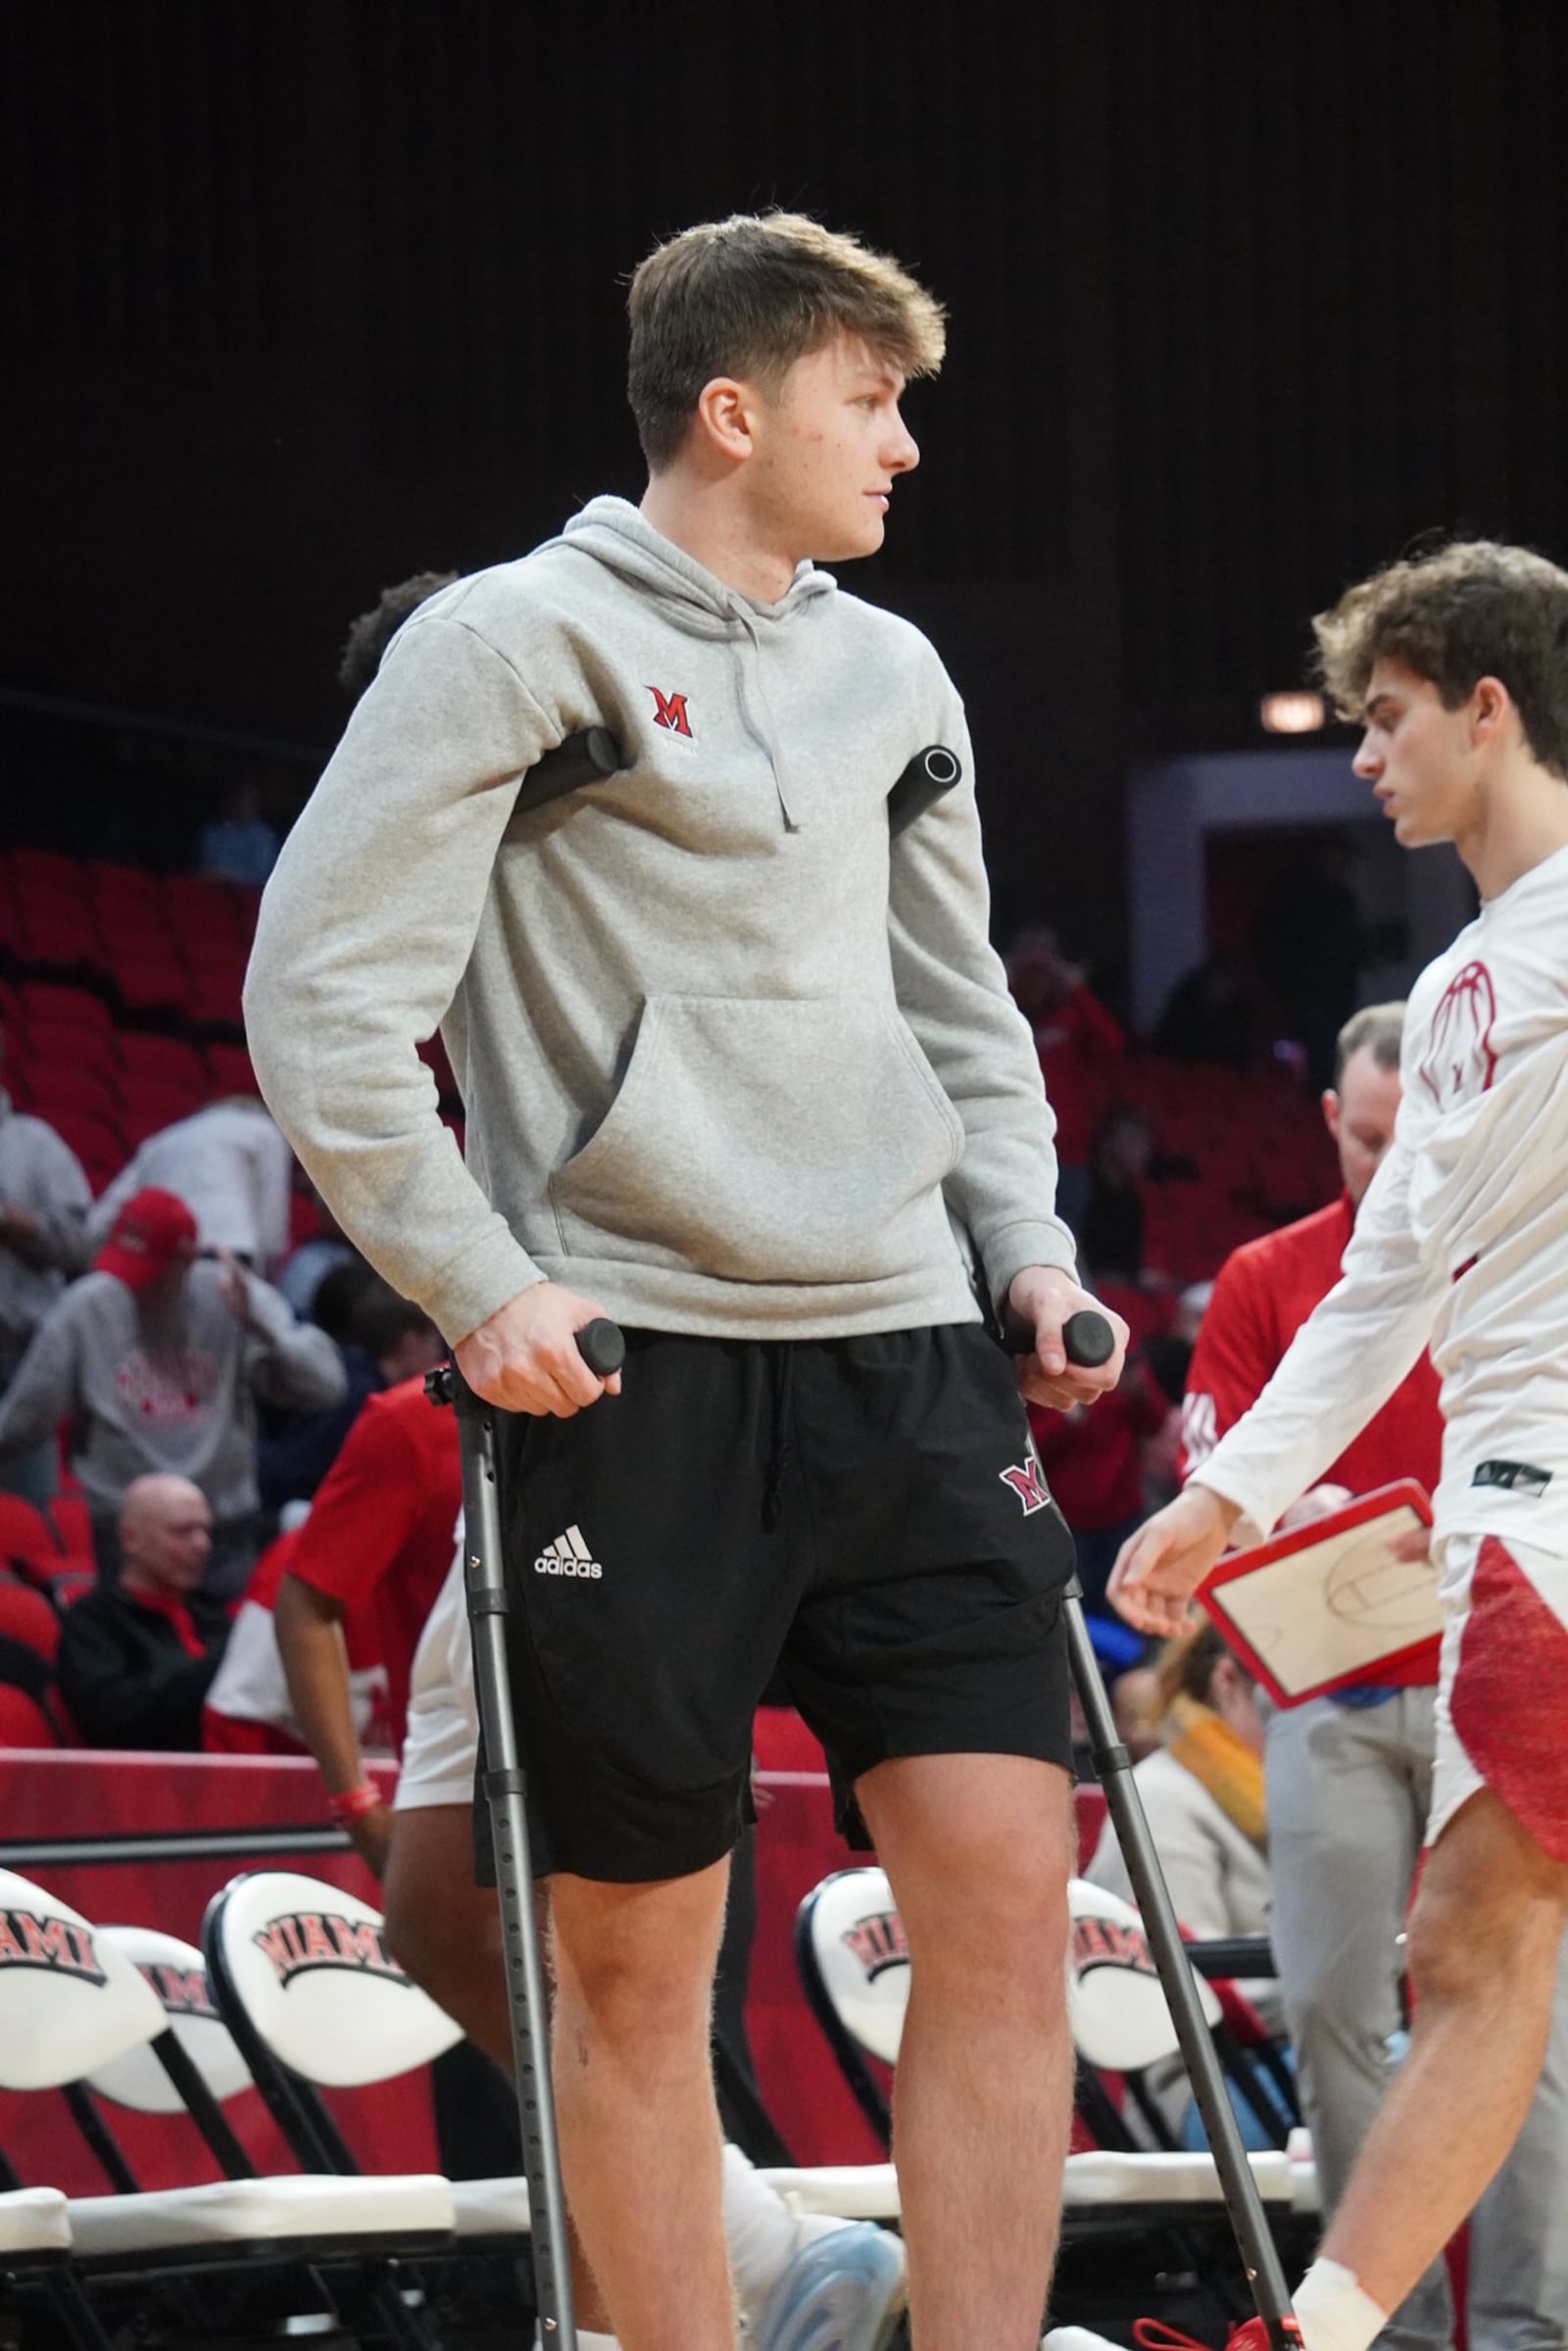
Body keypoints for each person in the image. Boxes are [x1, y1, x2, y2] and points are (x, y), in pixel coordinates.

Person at [245, 209, 1128, 2351]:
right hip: (624, 1374)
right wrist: (471, 1279)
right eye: (870, 399)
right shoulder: (507, 638)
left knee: (1009, 1909)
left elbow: (960, 1012)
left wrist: (1020, 1245)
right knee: (639, 1972)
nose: (905, 445)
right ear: (732, 412)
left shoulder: (892, 670)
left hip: (910, 1359)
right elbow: (318, 990)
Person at [1109, 539, 1568, 2351]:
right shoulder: (1467, 972)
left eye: (1384, 720)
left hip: (1544, 1512)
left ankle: (1317, 2328)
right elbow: (1385, 1280)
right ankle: (1326, 2324)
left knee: (1472, 1951)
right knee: (1484, 1956)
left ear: (1489, 705)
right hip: (1500, 1514)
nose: (1362, 758)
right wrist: (1228, 1492)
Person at [1182, 998, 1568, 2351]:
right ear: (1326, 1122)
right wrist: (1289, 1509)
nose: (1386, 1157)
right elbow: (1212, 1467)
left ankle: (1529, 2328)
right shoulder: (1267, 1276)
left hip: (1496, 1664)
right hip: (1330, 1685)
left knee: (1531, 2013)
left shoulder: (1527, 1254)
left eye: (1410, 1135)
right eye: (1362, 1136)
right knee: (1335, 2000)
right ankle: (1370, 2327)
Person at [0, 1187, 346, 1598]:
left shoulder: (230, 1296)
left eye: (148, 1271)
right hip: (126, 1530)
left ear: (185, 1262)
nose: (132, 1284)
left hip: (222, 1529)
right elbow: (24, 1419)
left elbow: (327, 1388)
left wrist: (261, 1325)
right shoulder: (88, 1304)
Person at [57, 1473, 227, 1747]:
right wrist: (218, 1666)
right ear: (130, 1538)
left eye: (206, 1531)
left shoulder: (212, 1619)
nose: (201, 1545)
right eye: (182, 1531)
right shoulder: (93, 1623)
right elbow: (110, 1719)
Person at [0, 1013, 92, 1502]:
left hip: (22, 1361)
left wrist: (13, 1221)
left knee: (26, 1515)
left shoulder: (34, 1145)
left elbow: (82, 1244)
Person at [88, 1096, 294, 1274]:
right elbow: (272, 1227)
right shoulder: (266, 1131)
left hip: (155, 1255)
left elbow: (100, 1220)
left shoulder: (162, 1139)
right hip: (226, 1250)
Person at [197, 782, 279, 886]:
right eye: (240, 798)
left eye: (248, 800)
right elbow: (206, 870)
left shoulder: (264, 836)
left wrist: (230, 876)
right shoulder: (214, 833)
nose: (243, 804)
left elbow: (263, 875)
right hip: (215, 893)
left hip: (251, 897)